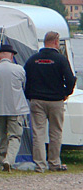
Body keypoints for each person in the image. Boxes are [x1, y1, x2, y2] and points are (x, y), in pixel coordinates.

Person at [24, 31, 76, 172]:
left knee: (38, 133)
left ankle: (40, 165)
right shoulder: (60, 59)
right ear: (55, 42)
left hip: (37, 100)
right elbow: (71, 79)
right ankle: (54, 163)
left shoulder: (33, 60)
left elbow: (25, 79)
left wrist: (29, 95)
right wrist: (66, 93)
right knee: (55, 133)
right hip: (55, 100)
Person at [0, 43, 30, 171]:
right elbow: (23, 84)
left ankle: (1, 160)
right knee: (15, 136)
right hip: (16, 109)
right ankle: (9, 161)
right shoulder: (19, 69)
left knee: (1, 136)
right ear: (11, 56)